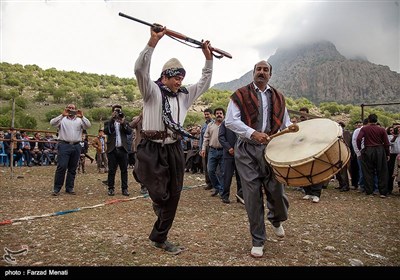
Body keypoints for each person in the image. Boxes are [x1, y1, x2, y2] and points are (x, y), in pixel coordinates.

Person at [134, 24, 213, 255]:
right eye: (175, 77)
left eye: (181, 78)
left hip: (174, 147)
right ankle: (157, 199)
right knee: (160, 194)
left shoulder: (185, 97)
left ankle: (160, 237)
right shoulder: (151, 92)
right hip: (151, 147)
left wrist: (208, 58)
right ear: (164, 77)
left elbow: (204, 82)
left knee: (174, 194)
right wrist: (153, 42)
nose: (179, 81)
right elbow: (140, 70)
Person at [225, 60, 290, 258]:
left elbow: (285, 124)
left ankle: (276, 218)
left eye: (265, 70)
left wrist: (291, 136)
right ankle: (258, 240)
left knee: (277, 192)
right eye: (258, 69)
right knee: (252, 196)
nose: (261, 72)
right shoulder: (240, 94)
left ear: (270, 74)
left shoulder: (278, 97)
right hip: (246, 150)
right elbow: (230, 121)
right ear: (253, 72)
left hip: (271, 149)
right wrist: (253, 133)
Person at [50, 104, 91, 196]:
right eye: (69, 108)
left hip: (76, 145)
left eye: (73, 108)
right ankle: (57, 188)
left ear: (76, 110)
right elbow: (52, 123)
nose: (71, 110)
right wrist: (62, 115)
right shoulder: (62, 119)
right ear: (66, 109)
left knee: (73, 168)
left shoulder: (79, 120)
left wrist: (83, 116)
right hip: (64, 144)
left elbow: (88, 126)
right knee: (62, 166)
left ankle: (69, 187)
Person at [356, 113, 390, 197]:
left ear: (369, 120)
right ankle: (382, 192)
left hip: (368, 150)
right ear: (376, 120)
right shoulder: (382, 130)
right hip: (379, 150)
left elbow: (358, 139)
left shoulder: (364, 129)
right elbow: (386, 143)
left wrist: (360, 149)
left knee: (368, 171)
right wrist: (387, 153)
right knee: (382, 171)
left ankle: (369, 191)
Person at [103, 104, 132, 196]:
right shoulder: (108, 122)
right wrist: (112, 119)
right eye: (116, 111)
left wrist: (123, 122)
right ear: (112, 112)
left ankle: (125, 189)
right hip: (112, 149)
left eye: (119, 110)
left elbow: (129, 132)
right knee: (112, 170)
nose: (118, 112)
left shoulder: (125, 122)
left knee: (124, 170)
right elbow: (107, 131)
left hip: (123, 149)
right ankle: (111, 188)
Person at [218, 119, 243, 204]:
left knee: (240, 177)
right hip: (229, 154)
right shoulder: (225, 123)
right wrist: (229, 148)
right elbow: (221, 137)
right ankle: (225, 196)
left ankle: (240, 196)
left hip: (241, 154)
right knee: (227, 176)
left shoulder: (243, 122)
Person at [129, 112, 148, 195]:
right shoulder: (137, 119)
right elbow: (131, 125)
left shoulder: (152, 119)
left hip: (150, 147)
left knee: (149, 168)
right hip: (139, 146)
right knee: (138, 168)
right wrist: (139, 118)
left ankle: (147, 186)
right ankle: (143, 184)